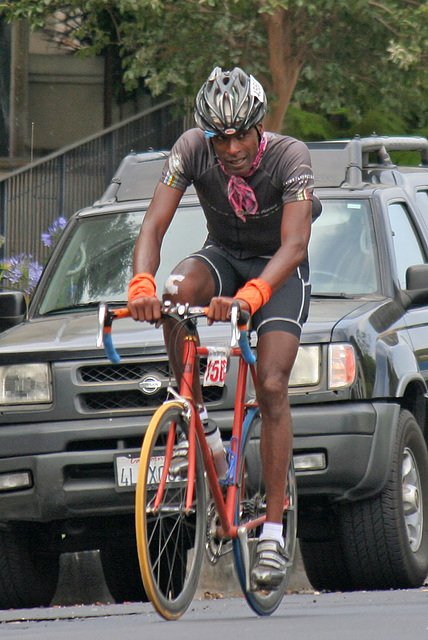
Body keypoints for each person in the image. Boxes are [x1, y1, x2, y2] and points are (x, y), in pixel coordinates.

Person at [128, 66, 321, 591]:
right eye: (220, 137)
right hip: (222, 257)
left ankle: (274, 533)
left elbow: (296, 244)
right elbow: (153, 224)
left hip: (278, 269)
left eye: (240, 134)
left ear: (258, 126)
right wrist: (142, 283)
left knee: (273, 385)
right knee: (173, 295)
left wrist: (253, 295)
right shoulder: (191, 149)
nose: (230, 147)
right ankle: (201, 421)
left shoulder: (290, 156)